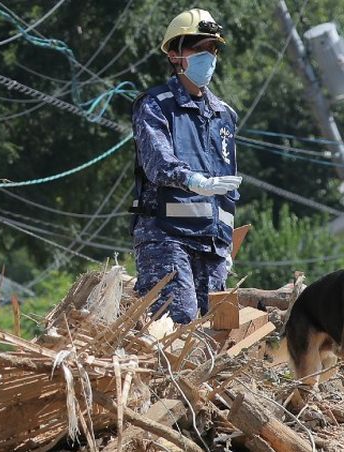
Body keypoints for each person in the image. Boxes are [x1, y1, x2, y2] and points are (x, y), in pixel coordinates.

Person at [129, 8, 242, 324]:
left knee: (212, 332)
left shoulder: (224, 115)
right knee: (177, 325)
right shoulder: (155, 105)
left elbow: (228, 190)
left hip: (213, 244)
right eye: (199, 48)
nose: (209, 56)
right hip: (166, 236)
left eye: (213, 49)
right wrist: (195, 181)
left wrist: (226, 243)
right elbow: (158, 163)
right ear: (175, 55)